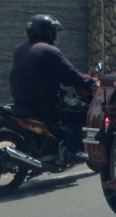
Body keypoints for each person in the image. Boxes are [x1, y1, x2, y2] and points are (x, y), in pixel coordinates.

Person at [10, 14, 96, 162]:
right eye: (54, 31)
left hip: (20, 101)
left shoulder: (19, 49)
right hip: (46, 102)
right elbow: (70, 74)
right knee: (84, 112)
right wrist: (91, 84)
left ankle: (50, 147)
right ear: (47, 32)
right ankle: (73, 151)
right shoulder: (49, 50)